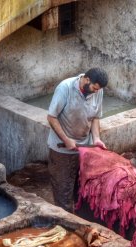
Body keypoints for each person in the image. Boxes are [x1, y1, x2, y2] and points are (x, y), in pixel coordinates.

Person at [46, 67, 109, 212]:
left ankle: (80, 221)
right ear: (86, 80)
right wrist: (66, 140)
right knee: (64, 192)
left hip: (84, 149)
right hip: (62, 149)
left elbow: (95, 117)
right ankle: (66, 226)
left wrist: (96, 139)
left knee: (80, 191)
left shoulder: (98, 91)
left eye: (98, 89)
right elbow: (51, 117)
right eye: (94, 87)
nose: (96, 91)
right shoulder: (65, 88)